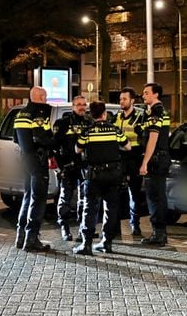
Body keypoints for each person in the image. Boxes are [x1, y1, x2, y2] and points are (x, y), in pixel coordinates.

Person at [74, 101, 130, 255]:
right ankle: (107, 242)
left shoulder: (87, 131)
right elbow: (128, 146)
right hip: (113, 175)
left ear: (91, 115)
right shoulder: (114, 130)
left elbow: (78, 149)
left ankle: (86, 244)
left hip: (94, 175)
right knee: (111, 209)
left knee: (90, 209)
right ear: (105, 113)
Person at [14, 86, 55, 252]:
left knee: (28, 197)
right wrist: (55, 141)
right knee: (38, 199)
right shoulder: (38, 114)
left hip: (25, 159)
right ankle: (32, 239)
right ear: (39, 97)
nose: (46, 100)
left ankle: (21, 236)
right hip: (37, 160)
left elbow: (16, 138)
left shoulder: (20, 114)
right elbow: (43, 138)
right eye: (44, 97)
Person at [53, 95, 91, 241]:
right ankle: (64, 227)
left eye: (84, 104)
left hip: (84, 166)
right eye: (79, 104)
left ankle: (83, 229)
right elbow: (55, 147)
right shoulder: (63, 123)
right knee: (65, 199)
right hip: (68, 167)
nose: (82, 107)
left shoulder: (89, 122)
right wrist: (61, 167)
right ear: (72, 106)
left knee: (84, 199)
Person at [139, 83, 171, 246]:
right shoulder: (153, 112)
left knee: (155, 197)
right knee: (156, 196)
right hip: (159, 158)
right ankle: (159, 233)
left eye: (146, 93)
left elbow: (153, 138)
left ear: (156, 94)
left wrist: (145, 162)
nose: (143, 95)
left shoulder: (157, 111)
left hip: (156, 159)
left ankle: (159, 234)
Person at [113, 87, 145, 237]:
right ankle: (116, 227)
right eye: (120, 99)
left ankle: (135, 225)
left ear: (132, 100)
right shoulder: (118, 116)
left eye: (124, 99)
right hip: (119, 158)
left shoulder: (140, 116)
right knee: (117, 194)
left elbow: (144, 139)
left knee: (134, 193)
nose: (121, 102)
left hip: (134, 158)